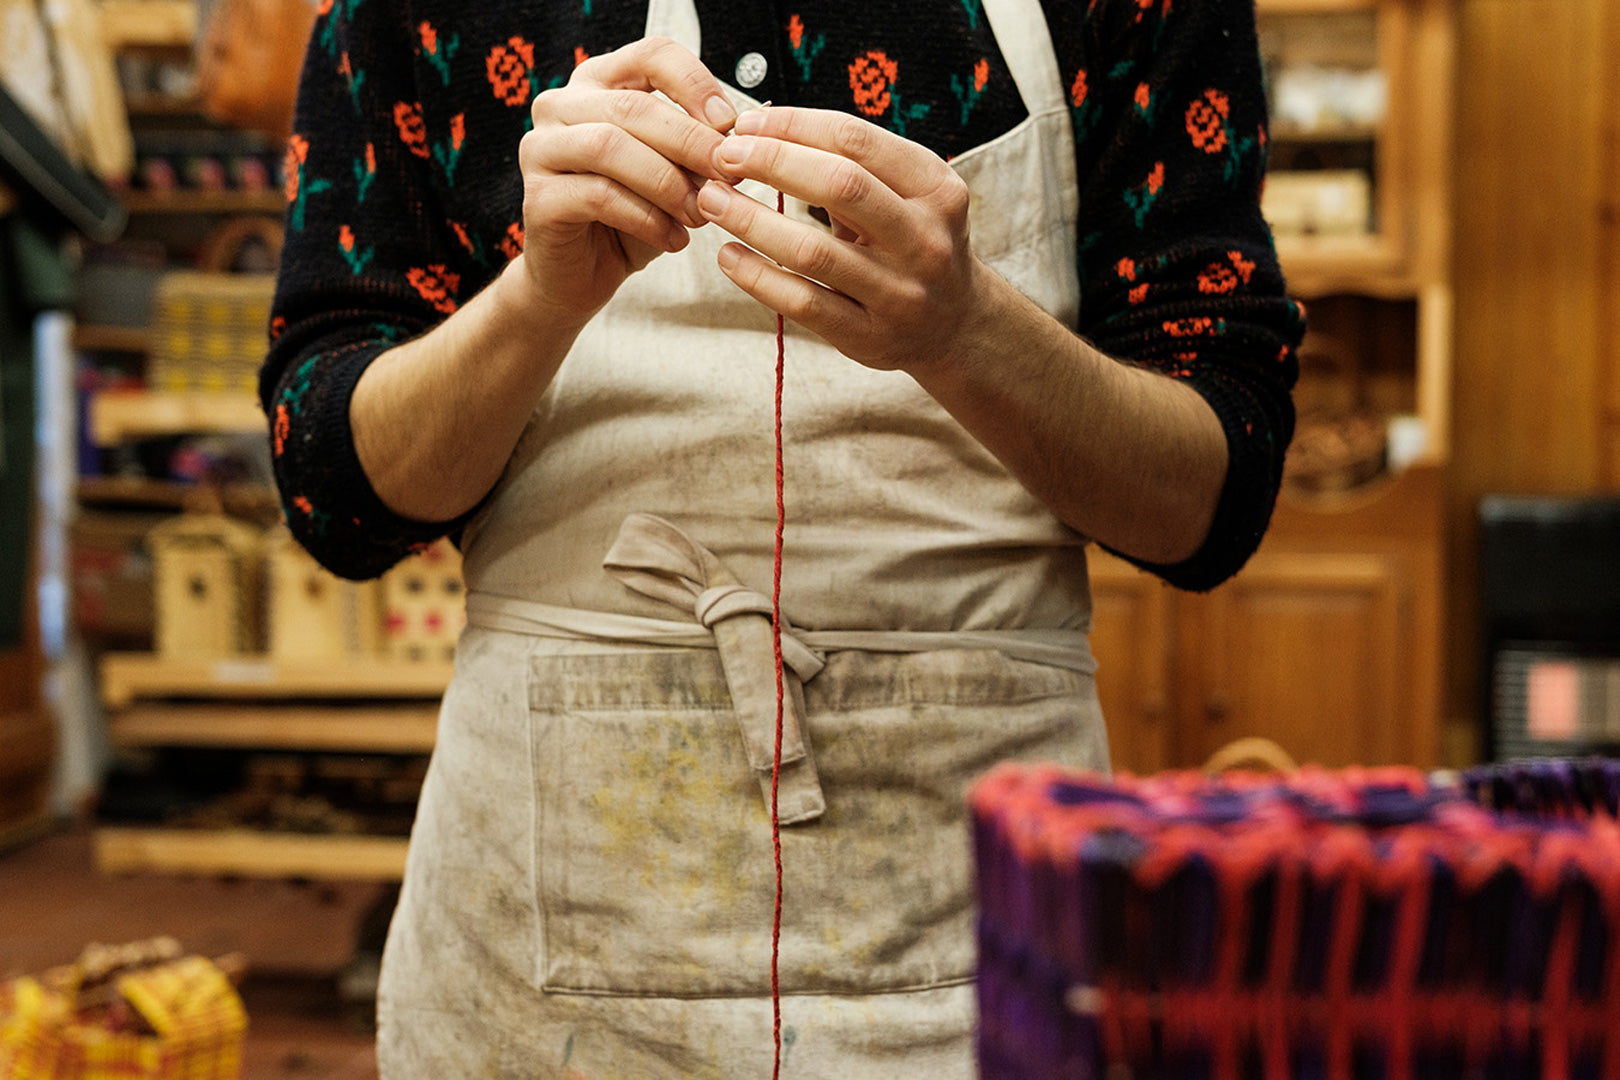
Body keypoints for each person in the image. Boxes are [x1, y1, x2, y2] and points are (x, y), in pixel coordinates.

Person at [262, 0, 1303, 1074]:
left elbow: (1211, 504)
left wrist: (966, 331)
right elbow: (334, 492)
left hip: (981, 938)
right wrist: (537, 300)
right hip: (542, 932)